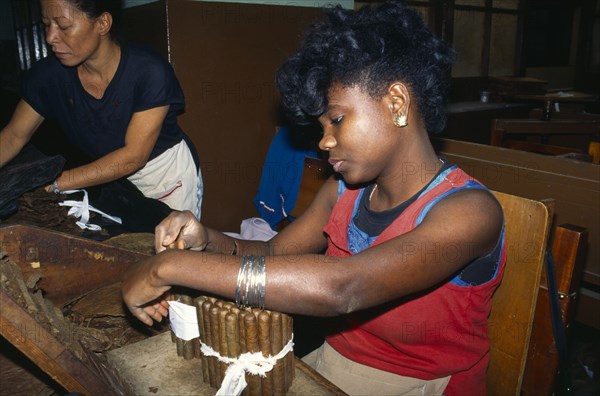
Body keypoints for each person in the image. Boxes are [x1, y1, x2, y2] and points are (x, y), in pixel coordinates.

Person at [122, 1, 505, 395]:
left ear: (396, 102)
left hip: (422, 386)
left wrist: (167, 268)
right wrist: (206, 240)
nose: (324, 142)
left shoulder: (469, 212)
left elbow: (344, 290)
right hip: (328, 366)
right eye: (321, 127)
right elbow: (270, 257)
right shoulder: (343, 193)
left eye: (337, 119)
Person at [0, 0, 202, 231]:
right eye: (46, 25)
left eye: (64, 27)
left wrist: (53, 184)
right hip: (107, 177)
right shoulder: (48, 77)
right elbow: (14, 136)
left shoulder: (148, 71)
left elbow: (132, 157)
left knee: (169, 256)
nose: (50, 37)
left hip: (164, 176)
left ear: (103, 23)